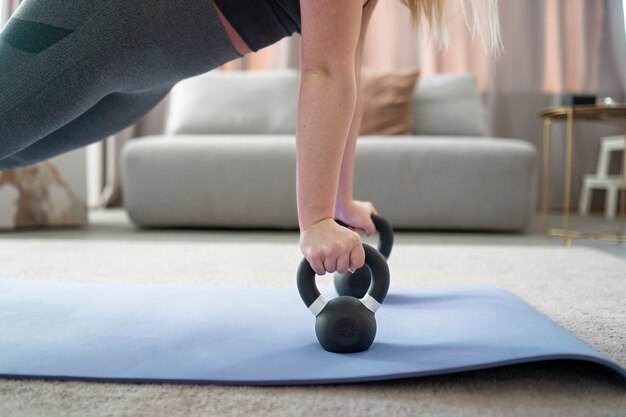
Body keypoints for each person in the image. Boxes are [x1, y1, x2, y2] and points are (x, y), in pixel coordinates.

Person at [0, 0, 500, 276]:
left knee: (17, 149)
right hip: (94, 21)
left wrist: (339, 202)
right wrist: (317, 220)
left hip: (147, 72)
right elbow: (323, 73)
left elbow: (344, 71)